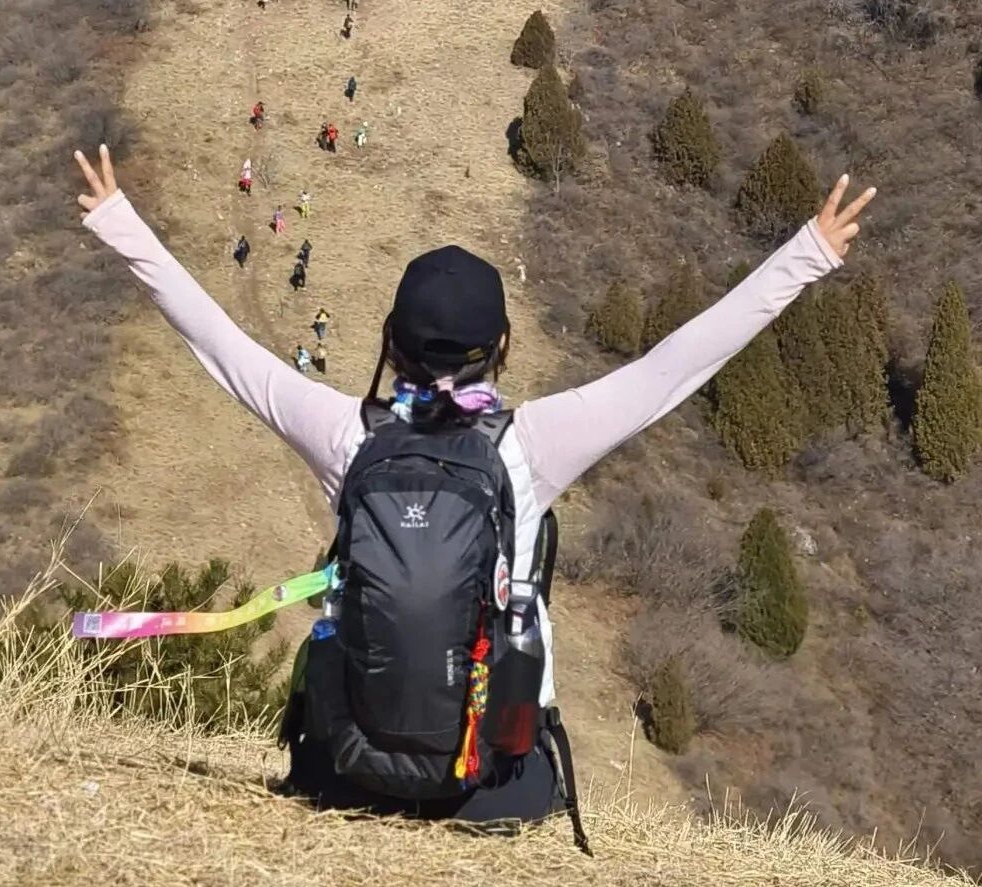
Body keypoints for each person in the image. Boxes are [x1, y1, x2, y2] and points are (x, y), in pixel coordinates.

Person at [75, 144, 875, 843]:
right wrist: (807, 251)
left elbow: (222, 345)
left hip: (344, 771)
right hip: (495, 787)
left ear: (391, 342)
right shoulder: (531, 444)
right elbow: (674, 365)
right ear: (499, 348)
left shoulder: (347, 436)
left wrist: (120, 223)